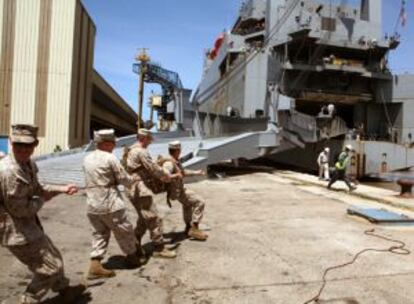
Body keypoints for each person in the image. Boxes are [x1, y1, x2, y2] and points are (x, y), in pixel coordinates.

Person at [0, 124, 85, 304]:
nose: (23, 149)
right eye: (18, 145)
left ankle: (64, 291)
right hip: (15, 232)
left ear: (35, 144)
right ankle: (28, 299)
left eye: (28, 145)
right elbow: (20, 209)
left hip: (28, 225)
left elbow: (38, 188)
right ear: (11, 143)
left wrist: (61, 188)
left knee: (54, 256)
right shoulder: (8, 171)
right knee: (50, 267)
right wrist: (43, 200)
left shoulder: (28, 163)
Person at [83, 129, 141, 280]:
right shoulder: (110, 158)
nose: (115, 145)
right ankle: (132, 258)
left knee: (99, 233)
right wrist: (133, 179)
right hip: (110, 203)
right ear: (107, 143)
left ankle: (95, 265)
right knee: (124, 230)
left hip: (92, 204)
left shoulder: (87, 158)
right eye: (113, 142)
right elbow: (124, 179)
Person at [125, 129, 180, 259]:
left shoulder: (131, 150)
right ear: (143, 138)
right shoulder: (141, 151)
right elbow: (153, 168)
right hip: (140, 189)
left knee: (144, 219)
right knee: (154, 218)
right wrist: (168, 177)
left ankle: (134, 244)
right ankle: (159, 247)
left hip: (132, 188)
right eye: (149, 139)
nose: (150, 142)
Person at [161, 141, 208, 241]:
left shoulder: (175, 161)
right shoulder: (169, 163)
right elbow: (164, 175)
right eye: (180, 149)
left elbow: (183, 172)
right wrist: (175, 175)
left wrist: (197, 172)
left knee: (187, 204)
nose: (181, 151)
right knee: (199, 201)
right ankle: (194, 228)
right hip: (177, 191)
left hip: (180, 189)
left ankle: (188, 228)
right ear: (177, 150)